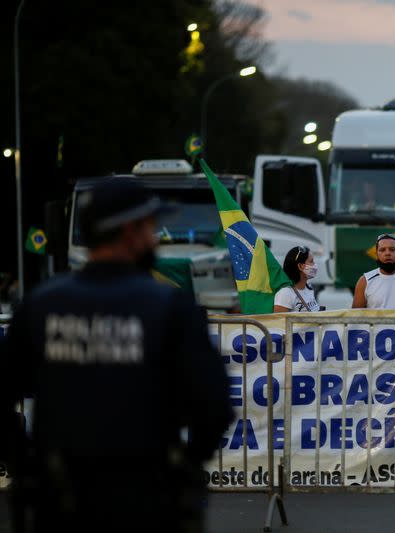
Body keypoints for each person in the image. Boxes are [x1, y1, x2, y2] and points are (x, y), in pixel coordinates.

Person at [0, 178, 234, 532]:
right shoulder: (169, 307)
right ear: (130, 231)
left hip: (59, 499)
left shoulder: (40, 305)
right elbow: (214, 405)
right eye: (151, 227)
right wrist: (185, 467)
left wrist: (26, 467)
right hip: (146, 500)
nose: (156, 238)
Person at [274, 245, 322, 312]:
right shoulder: (285, 294)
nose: (315, 265)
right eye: (311, 261)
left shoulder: (308, 287)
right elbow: (279, 321)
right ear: (300, 266)